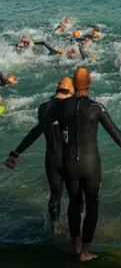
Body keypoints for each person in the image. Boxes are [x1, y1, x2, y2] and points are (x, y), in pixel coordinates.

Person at [44, 68, 121, 261]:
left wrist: (20, 152)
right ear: (89, 83)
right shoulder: (95, 107)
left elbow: (44, 126)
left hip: (69, 162)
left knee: (74, 202)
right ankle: (85, 251)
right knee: (92, 205)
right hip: (91, 164)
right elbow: (116, 135)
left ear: (74, 85)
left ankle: (75, 245)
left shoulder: (60, 107)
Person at [5, 77, 74, 233]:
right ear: (71, 90)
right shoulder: (75, 106)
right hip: (73, 159)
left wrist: (16, 152)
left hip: (52, 158)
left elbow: (36, 131)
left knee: (55, 194)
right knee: (75, 195)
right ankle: (76, 232)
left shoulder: (44, 107)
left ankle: (54, 227)